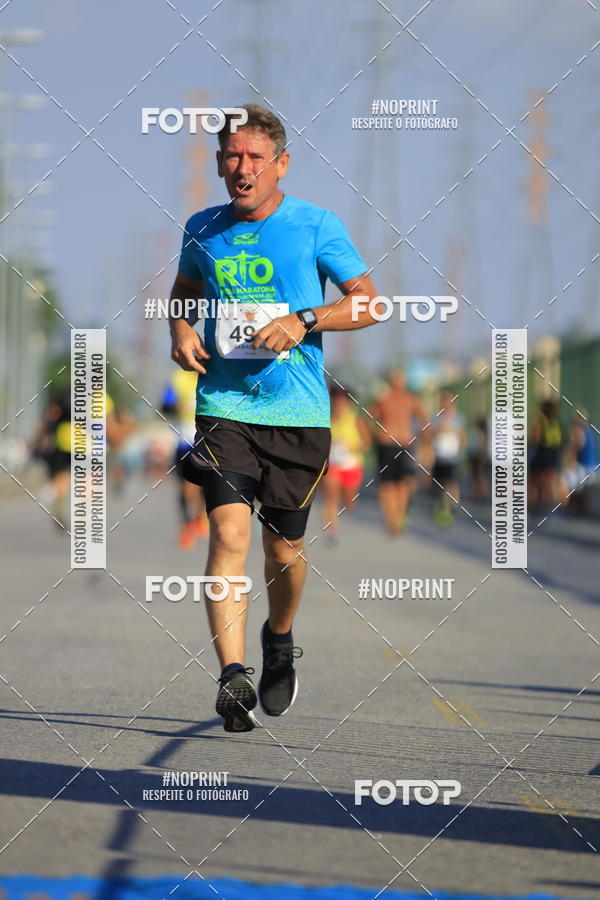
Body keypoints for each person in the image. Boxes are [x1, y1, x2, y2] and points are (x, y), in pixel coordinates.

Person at [168, 103, 379, 732]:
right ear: (218, 163)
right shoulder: (201, 228)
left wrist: (304, 319)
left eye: (256, 157)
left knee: (282, 549)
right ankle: (233, 677)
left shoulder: (315, 225)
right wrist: (180, 329)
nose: (243, 168)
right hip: (224, 407)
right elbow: (185, 291)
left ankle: (278, 639)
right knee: (228, 537)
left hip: (298, 413)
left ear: (280, 164)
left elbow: (369, 303)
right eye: (232, 156)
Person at [369, 370, 427, 535]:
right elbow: (368, 419)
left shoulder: (409, 399)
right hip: (390, 443)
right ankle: (393, 517)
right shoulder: (385, 399)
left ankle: (397, 516)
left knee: (402, 482)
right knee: (389, 484)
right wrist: (376, 435)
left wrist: (423, 441)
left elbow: (424, 420)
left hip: (402, 444)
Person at [161, 368, 209, 550]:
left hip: (210, 439)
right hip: (184, 440)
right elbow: (165, 405)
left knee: (206, 483)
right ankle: (187, 524)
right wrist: (176, 406)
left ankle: (199, 516)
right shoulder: (178, 378)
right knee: (184, 485)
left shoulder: (216, 374)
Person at [321, 385, 371, 544]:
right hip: (333, 465)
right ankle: (332, 531)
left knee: (349, 502)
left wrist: (350, 447)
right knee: (330, 498)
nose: (339, 403)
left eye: (343, 400)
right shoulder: (326, 418)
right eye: (336, 400)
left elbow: (366, 444)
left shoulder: (356, 418)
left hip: (351, 464)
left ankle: (344, 510)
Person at [431, 390, 466, 526]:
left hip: (452, 456)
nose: (446, 405)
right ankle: (441, 504)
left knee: (451, 482)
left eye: (449, 402)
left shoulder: (458, 418)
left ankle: (451, 507)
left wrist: (461, 451)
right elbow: (430, 435)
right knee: (438, 483)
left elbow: (462, 437)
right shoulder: (436, 418)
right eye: (443, 402)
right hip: (438, 455)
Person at [529, 400, 562, 510]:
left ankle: (533, 505)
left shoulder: (540, 420)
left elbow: (535, 438)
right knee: (549, 480)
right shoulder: (555, 421)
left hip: (541, 452)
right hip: (553, 452)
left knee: (535, 480)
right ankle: (550, 506)